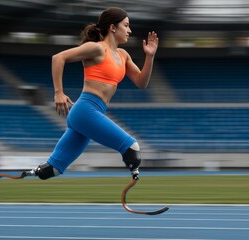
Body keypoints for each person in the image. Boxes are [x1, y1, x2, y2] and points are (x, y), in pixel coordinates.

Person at [28, 7, 159, 180]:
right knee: (131, 147)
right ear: (113, 28)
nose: (129, 30)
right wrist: (58, 93)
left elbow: (142, 82)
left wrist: (150, 56)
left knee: (52, 169)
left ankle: (21, 175)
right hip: (85, 111)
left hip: (91, 114)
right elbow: (58, 58)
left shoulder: (123, 55)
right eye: (126, 25)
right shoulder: (97, 49)